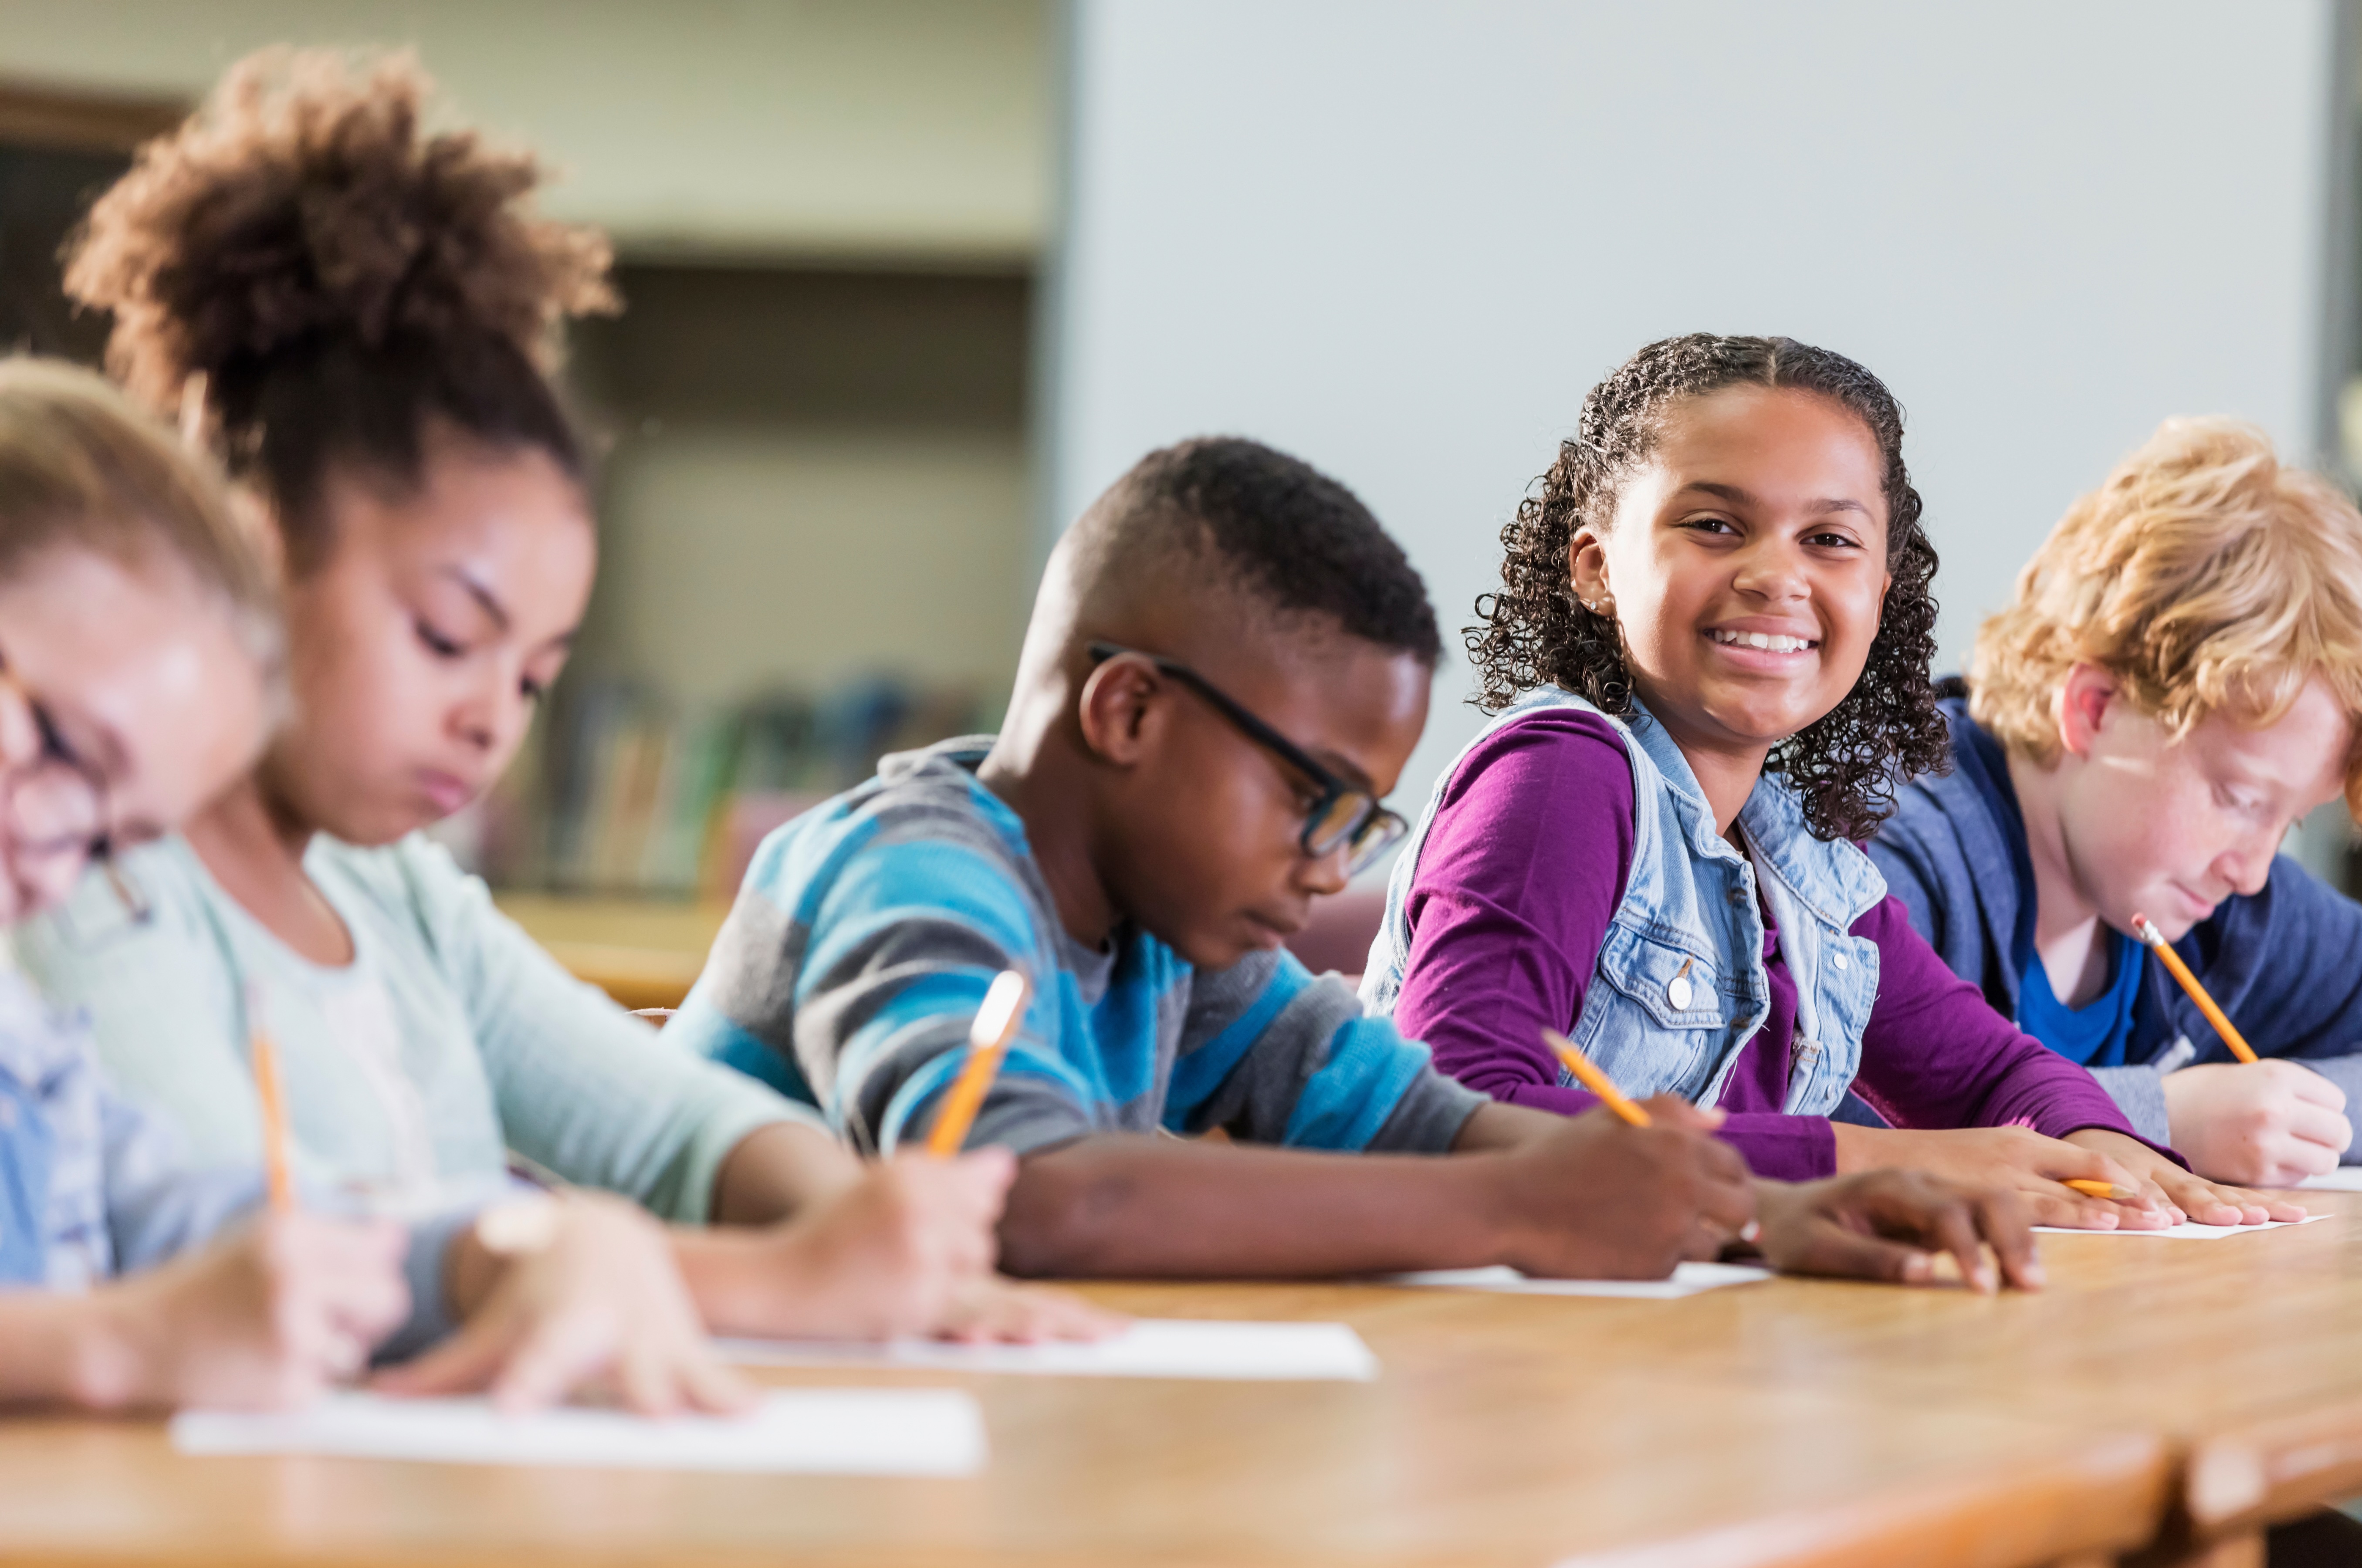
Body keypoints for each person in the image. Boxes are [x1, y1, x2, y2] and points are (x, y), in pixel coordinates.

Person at [24, 46, 1093, 1344]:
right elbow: (240, 1242)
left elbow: (667, 1122)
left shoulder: (393, 893)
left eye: (535, 674)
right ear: (253, 550)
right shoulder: (78, 864)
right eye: (445, 637)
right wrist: (771, 1282)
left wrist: (857, 1227)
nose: (494, 720)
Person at [678, 434, 2046, 1290]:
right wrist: (1519, 1210)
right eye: (1312, 801)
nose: (1327, 870)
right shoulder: (915, 873)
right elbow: (1035, 1199)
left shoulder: (1178, 935)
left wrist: (1751, 1211)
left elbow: (1419, 1119)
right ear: (1130, 714)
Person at [1364, 333, 2289, 1230]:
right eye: (1715, 525)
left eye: (1830, 540)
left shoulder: (1796, 859)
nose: (1777, 576)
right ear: (1597, 566)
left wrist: (2101, 1151)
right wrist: (1887, 1158)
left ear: (1880, 592)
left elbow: (1992, 1073)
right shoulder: (1562, 778)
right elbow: (1458, 1115)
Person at [0, 356, 741, 1414]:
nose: (50, 857)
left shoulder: (22, 1041)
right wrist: (113, 1346)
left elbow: (200, 1222)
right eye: (61, 750)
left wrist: (510, 1248)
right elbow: (144, 1314)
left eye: (111, 844)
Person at [1869, 417, 2362, 1183]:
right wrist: (2160, 1119)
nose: (2253, 870)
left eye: (2288, 821)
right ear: (2092, 709)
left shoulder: (2228, 913)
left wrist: (2312, 1113)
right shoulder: (1888, 850)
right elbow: (1810, 1124)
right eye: (2240, 797)